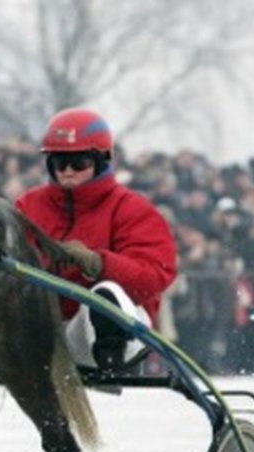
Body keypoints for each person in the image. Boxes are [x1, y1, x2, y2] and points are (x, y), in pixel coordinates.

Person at [16, 108, 178, 371]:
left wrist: (98, 264)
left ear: (101, 161)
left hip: (116, 332)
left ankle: (110, 354)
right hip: (47, 332)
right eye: (59, 163)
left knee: (106, 295)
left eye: (79, 163)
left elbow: (154, 276)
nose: (67, 171)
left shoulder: (133, 209)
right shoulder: (28, 207)